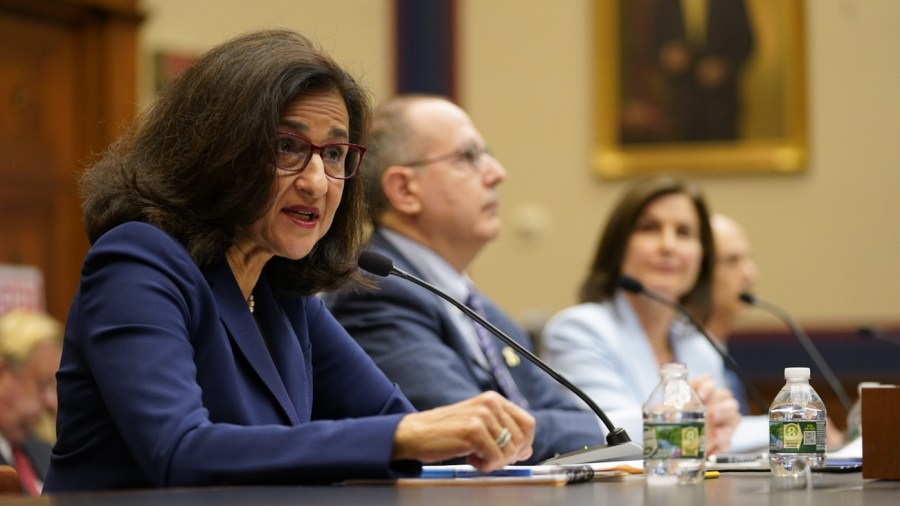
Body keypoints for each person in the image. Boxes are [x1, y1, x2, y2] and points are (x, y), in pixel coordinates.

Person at [44, 30, 533, 493]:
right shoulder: (138, 260)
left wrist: (479, 434)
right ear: (215, 152)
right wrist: (403, 436)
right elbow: (180, 452)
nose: (318, 181)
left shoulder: (279, 288)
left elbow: (392, 414)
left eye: (336, 153)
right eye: (288, 147)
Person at [325, 94, 607, 464]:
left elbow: (578, 419)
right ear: (405, 190)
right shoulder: (375, 291)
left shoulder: (480, 307)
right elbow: (467, 434)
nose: (496, 172)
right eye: (468, 157)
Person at [540, 175, 742, 455]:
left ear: (702, 257)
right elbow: (610, 436)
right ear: (618, 246)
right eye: (649, 228)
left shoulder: (700, 347)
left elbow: (717, 439)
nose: (668, 245)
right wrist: (693, 420)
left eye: (684, 232)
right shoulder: (578, 330)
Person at [653, 0, 755, 141]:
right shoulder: (665, 3)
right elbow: (652, 45)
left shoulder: (731, 3)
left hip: (721, 101)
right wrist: (668, 56)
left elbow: (746, 42)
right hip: (681, 101)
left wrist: (723, 68)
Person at [0, 308, 63, 495]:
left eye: (53, 388)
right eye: (42, 385)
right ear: (2, 374)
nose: (51, 402)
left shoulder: (47, 453)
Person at [706, 214, 758, 414]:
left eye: (747, 258)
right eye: (731, 261)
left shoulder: (722, 352)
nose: (750, 274)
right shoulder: (678, 354)